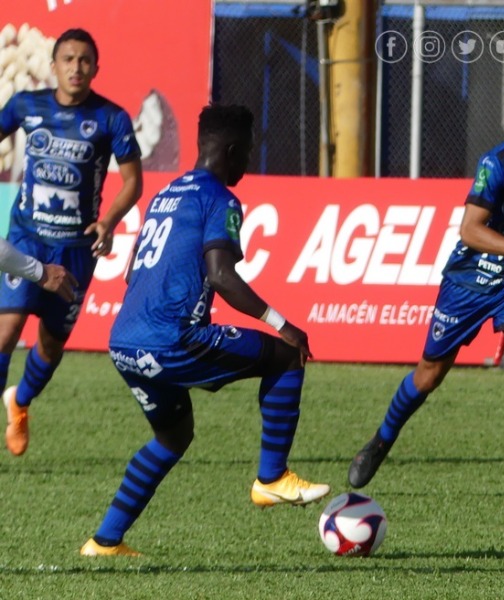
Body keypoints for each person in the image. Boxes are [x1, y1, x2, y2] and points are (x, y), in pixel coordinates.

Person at [80, 104, 329, 557]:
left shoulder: (167, 194)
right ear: (232, 152)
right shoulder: (220, 198)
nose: (249, 163)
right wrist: (283, 323)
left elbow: (132, 272)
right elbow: (222, 276)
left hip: (123, 342)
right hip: (172, 339)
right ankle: (272, 477)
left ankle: (104, 541)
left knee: (173, 437)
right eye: (248, 153)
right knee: (287, 355)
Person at [347, 87, 504, 495]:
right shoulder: (499, 163)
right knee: (429, 376)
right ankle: (379, 442)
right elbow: (470, 230)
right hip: (469, 280)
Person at [0, 28, 143, 456]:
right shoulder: (27, 106)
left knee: (50, 343)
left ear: (96, 68)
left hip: (77, 249)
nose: (76, 67)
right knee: (5, 332)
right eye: (68, 59)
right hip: (26, 238)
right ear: (54, 65)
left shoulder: (112, 117)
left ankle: (20, 401)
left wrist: (108, 221)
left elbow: (133, 181)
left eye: (84, 60)